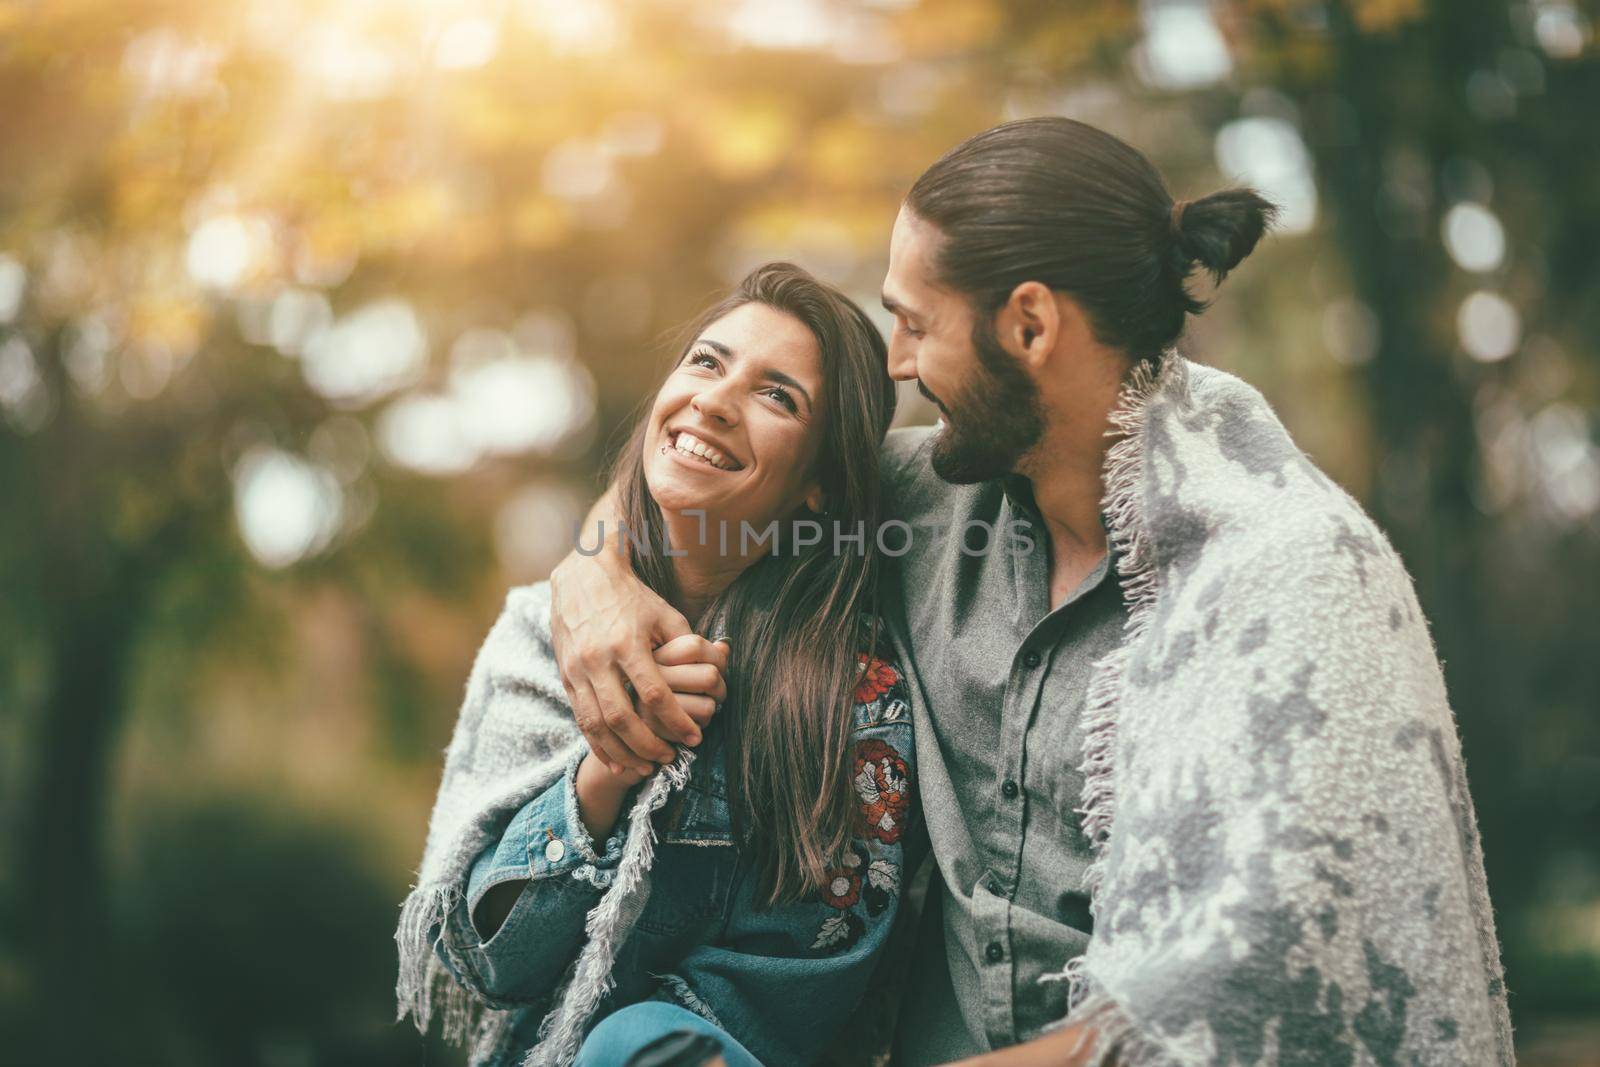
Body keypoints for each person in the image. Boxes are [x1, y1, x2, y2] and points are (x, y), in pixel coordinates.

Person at [545, 118, 1515, 1066]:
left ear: (1030, 324)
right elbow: (707, 464)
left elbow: (1262, 988)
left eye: (915, 324)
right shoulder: (924, 498)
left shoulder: (1287, 576)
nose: (896, 363)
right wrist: (593, 575)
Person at [395, 262, 920, 1067]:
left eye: (777, 394)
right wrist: (605, 775)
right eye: (708, 361)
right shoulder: (537, 636)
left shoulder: (855, 693)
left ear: (819, 482)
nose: (713, 399)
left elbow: (803, 981)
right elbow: (485, 961)